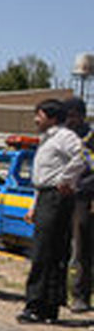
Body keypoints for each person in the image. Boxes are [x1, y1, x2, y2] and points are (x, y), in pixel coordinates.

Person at [19, 98, 86, 324]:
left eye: (39, 115)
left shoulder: (65, 137)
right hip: (46, 196)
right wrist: (34, 205)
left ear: (52, 117)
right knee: (50, 252)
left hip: (57, 199)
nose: (35, 119)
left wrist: (67, 179)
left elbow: (83, 157)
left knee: (45, 252)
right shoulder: (47, 140)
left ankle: (37, 305)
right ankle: (47, 307)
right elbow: (42, 178)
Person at [64, 97, 94, 313]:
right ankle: (56, 292)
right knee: (57, 245)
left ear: (81, 116)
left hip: (84, 196)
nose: (68, 120)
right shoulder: (63, 138)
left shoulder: (90, 138)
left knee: (82, 249)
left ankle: (81, 295)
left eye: (72, 116)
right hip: (61, 196)